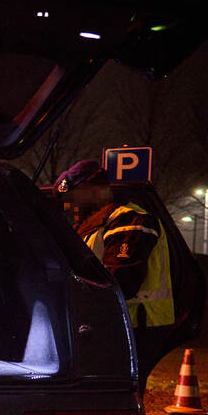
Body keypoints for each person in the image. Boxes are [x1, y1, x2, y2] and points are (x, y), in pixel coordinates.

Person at [57, 159, 173, 391]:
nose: (69, 205)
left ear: (91, 189)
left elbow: (120, 281)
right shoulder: (97, 224)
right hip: (116, 322)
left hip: (136, 323)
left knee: (118, 396)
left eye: (73, 197)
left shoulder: (130, 220)